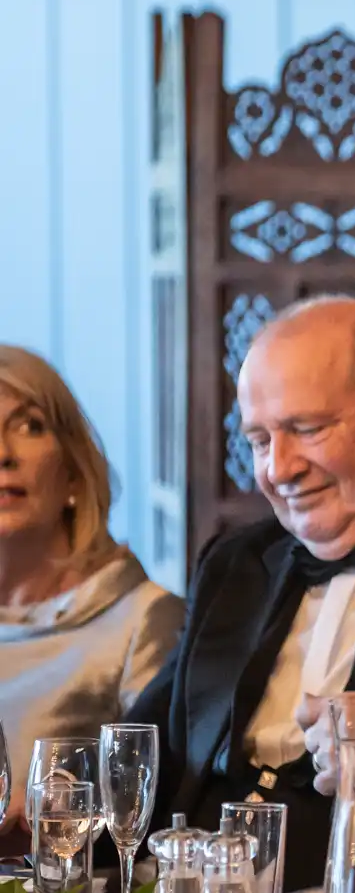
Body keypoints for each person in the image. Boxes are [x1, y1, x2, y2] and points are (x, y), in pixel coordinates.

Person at [128, 297, 355, 892]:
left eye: (307, 429)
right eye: (259, 440)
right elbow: (149, 749)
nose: (279, 469)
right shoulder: (236, 562)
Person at [0, 346, 181, 843]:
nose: (3, 453)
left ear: (75, 476)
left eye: (30, 426)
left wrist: (49, 818)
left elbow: (156, 810)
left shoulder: (144, 619)